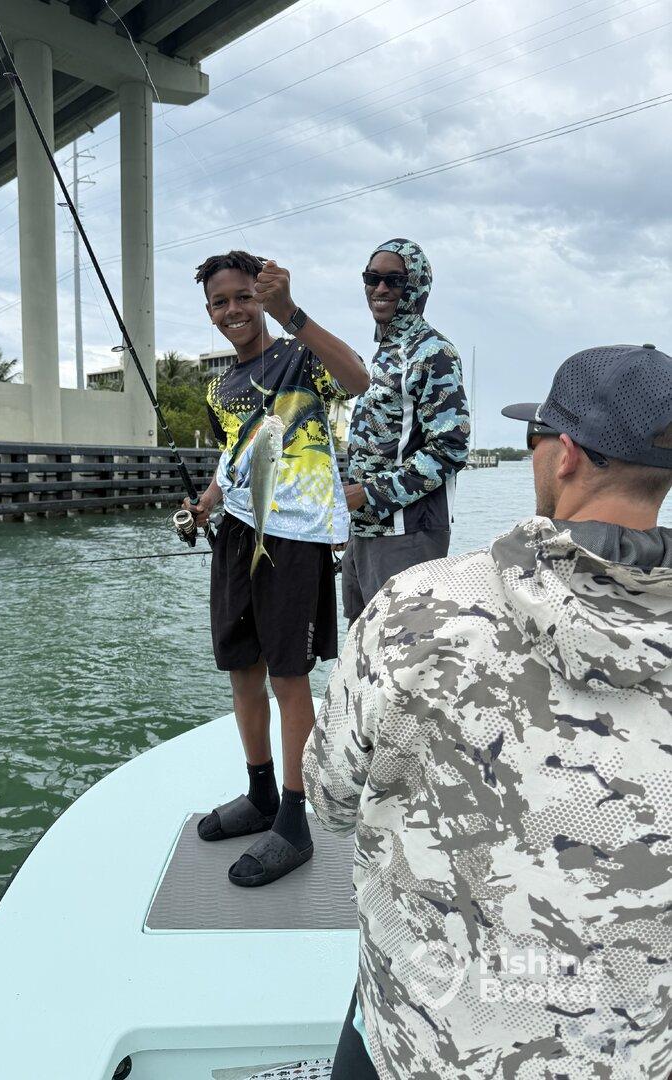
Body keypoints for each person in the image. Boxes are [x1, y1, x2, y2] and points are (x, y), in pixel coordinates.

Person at [303, 343, 672, 1078]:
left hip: (426, 1048)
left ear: (563, 454)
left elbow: (328, 798)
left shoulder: (414, 609)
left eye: (537, 436)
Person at [184, 250, 368, 888]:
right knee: (243, 667)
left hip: (296, 537)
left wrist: (293, 313)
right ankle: (260, 792)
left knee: (290, 675)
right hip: (238, 532)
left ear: (260, 299)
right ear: (209, 311)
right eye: (219, 302)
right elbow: (231, 455)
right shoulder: (217, 387)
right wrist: (204, 505)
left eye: (242, 297)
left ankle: (295, 818)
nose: (232, 310)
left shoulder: (299, 358)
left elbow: (358, 379)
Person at [342, 237, 470, 624]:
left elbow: (450, 448)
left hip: (408, 533)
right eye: (372, 278)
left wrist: (366, 494)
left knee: (404, 655)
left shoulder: (434, 352)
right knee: (362, 650)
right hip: (363, 531)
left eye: (393, 281)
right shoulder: (383, 354)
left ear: (416, 286)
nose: (380, 289)